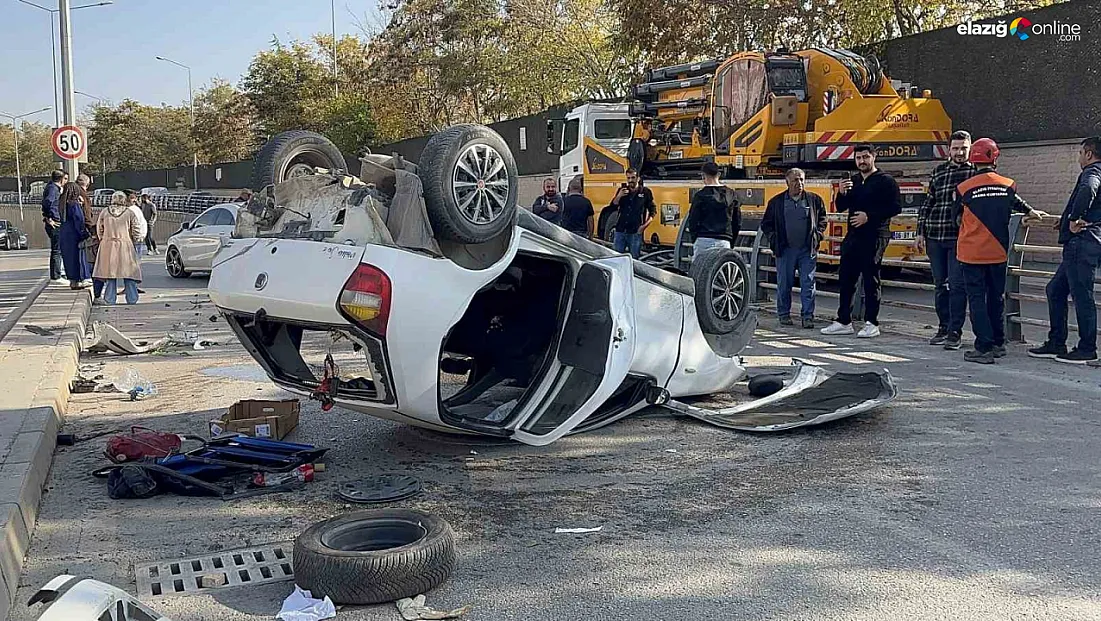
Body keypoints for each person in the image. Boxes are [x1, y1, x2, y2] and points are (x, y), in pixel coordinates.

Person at [954, 138, 1046, 364]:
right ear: (994, 157)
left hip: (971, 252)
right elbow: (1016, 202)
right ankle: (998, 342)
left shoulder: (963, 188)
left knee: (976, 299)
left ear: (973, 159)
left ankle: (983, 347)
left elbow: (955, 217)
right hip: (997, 251)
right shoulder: (1008, 184)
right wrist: (1032, 211)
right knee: (996, 298)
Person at [1029, 136, 1101, 364]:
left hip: (1082, 243)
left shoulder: (1092, 172)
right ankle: (1056, 341)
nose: (1079, 157)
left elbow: (1088, 190)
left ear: (1088, 154)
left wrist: (1075, 218)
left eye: (1081, 153)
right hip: (1086, 242)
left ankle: (1086, 348)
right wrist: (1065, 219)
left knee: (1082, 296)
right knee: (1055, 290)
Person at [821, 144, 902, 338]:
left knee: (870, 279)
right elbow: (841, 207)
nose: (862, 161)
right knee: (846, 278)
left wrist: (870, 216)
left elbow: (895, 207)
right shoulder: (854, 181)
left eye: (866, 157)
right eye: (858, 158)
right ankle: (844, 321)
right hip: (853, 235)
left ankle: (871, 322)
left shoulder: (886, 181)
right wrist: (840, 192)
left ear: (874, 157)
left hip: (875, 235)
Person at [917, 130, 976, 350]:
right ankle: (943, 327)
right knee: (940, 285)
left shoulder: (974, 173)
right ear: (949, 150)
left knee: (957, 285)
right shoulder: (939, 172)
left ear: (970, 149)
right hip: (935, 235)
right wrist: (919, 232)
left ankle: (955, 332)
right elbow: (927, 203)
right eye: (955, 148)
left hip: (959, 238)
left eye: (963, 149)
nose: (959, 153)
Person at [760, 168, 827, 328]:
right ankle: (783, 314)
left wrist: (818, 235)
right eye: (795, 180)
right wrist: (774, 239)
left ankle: (808, 317)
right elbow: (766, 224)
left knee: (808, 283)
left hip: (806, 250)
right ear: (787, 182)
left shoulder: (813, 200)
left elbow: (823, 219)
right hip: (785, 250)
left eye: (802, 179)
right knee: (784, 284)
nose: (799, 183)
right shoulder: (777, 202)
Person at [93, 191, 143, 305]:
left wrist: (103, 238)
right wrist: (135, 239)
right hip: (125, 244)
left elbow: (99, 229)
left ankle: (110, 299)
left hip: (108, 245)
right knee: (128, 272)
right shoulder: (129, 213)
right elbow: (136, 229)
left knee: (110, 273)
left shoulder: (105, 212)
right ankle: (132, 298)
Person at [685, 161, 741, 255]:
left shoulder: (700, 195)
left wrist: (695, 238)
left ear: (703, 176)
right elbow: (737, 221)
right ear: (719, 174)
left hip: (703, 238)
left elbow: (693, 220)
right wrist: (731, 240)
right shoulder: (731, 194)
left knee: (700, 268)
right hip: (724, 240)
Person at [609, 168, 656, 258]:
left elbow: (653, 211)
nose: (630, 180)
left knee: (634, 259)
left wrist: (643, 227)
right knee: (617, 258)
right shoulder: (622, 190)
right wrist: (619, 196)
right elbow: (613, 206)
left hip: (635, 231)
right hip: (620, 230)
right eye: (628, 178)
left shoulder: (645, 192)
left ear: (638, 178)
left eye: (633, 178)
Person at [57, 182, 91, 289]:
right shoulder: (74, 204)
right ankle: (79, 279)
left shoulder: (62, 203)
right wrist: (84, 233)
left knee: (68, 259)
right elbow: (79, 220)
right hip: (74, 235)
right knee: (77, 258)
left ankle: (72, 281)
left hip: (64, 234)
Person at [41, 170, 67, 284]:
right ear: (61, 179)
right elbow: (48, 202)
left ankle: (58, 273)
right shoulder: (52, 189)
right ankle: (56, 276)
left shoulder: (52, 188)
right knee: (57, 250)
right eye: (65, 179)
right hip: (55, 222)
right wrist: (49, 217)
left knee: (58, 249)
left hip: (54, 220)